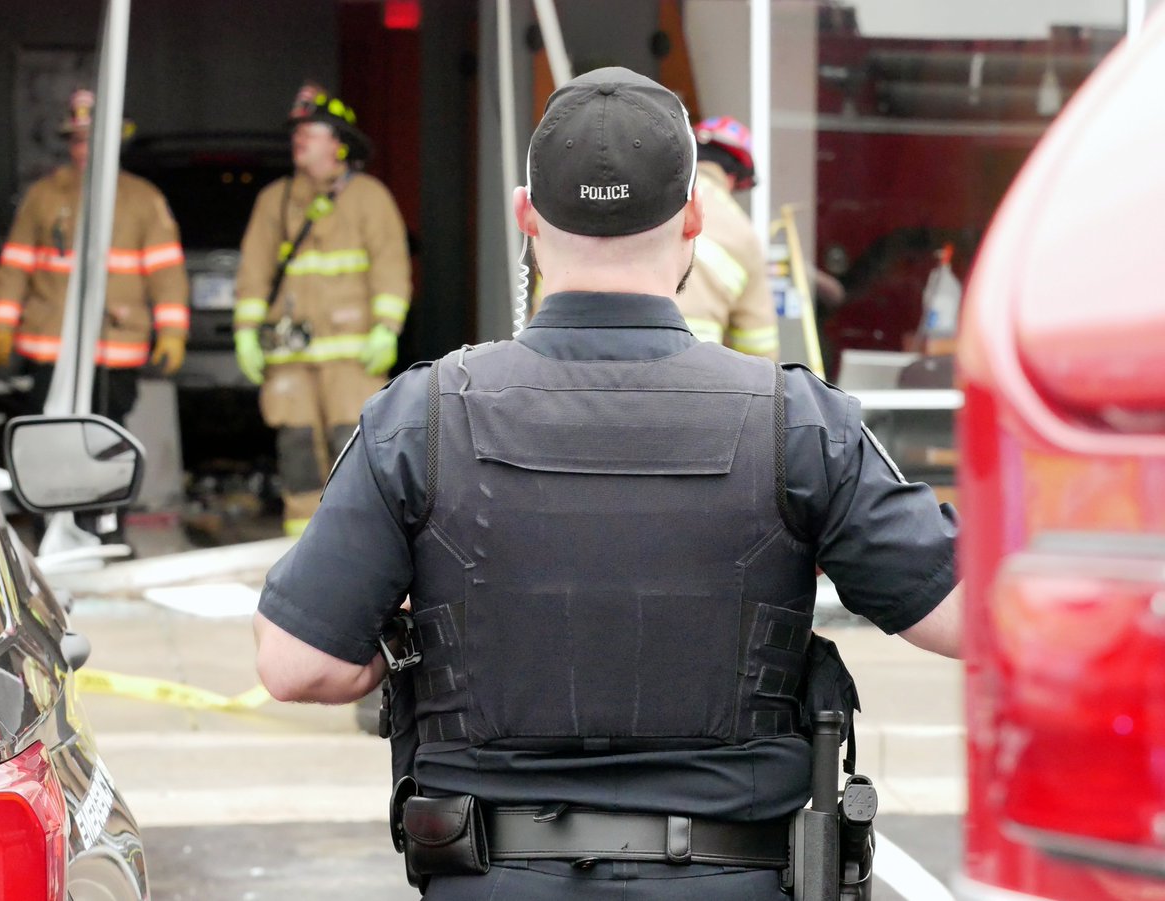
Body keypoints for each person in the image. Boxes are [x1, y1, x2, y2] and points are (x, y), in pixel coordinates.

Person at [254, 68, 961, 900]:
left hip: (492, 879)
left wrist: (407, 646)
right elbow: (972, 618)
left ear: (527, 217)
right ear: (695, 217)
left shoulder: (424, 418)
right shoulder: (797, 423)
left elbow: (295, 665)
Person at [233, 83, 412, 536]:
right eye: (296, 131)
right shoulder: (274, 201)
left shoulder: (370, 198)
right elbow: (254, 270)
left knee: (350, 445)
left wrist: (386, 328)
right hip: (290, 355)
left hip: (351, 357)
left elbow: (391, 265)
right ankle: (300, 544)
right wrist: (245, 330)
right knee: (295, 450)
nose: (298, 138)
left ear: (338, 142)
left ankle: (354, 542)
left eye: (309, 130)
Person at [0, 88, 190, 423]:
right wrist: (2, 323)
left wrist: (172, 333)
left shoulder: (143, 199)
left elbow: (166, 274)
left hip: (115, 345)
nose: (83, 149)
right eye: (76, 140)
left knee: (105, 438)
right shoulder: (44, 195)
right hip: (52, 344)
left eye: (91, 139)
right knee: (46, 433)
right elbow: (15, 266)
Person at [675, 115, 779, 360]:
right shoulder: (742, 232)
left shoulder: (647, 194)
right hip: (697, 372)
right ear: (734, 178)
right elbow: (758, 347)